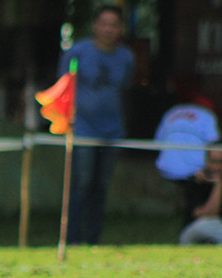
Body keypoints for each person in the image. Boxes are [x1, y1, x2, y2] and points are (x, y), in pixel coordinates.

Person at [57, 5, 134, 245]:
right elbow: (62, 88)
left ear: (120, 28)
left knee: (101, 187)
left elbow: (125, 90)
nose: (109, 29)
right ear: (95, 26)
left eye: (114, 24)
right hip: (82, 130)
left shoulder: (126, 57)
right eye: (104, 23)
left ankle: (93, 240)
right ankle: (71, 240)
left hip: (112, 131)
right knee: (81, 184)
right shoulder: (77, 53)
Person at [154, 91, 220, 182]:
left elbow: (157, 141)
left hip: (165, 170)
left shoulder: (172, 111)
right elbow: (215, 147)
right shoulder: (208, 115)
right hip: (195, 173)